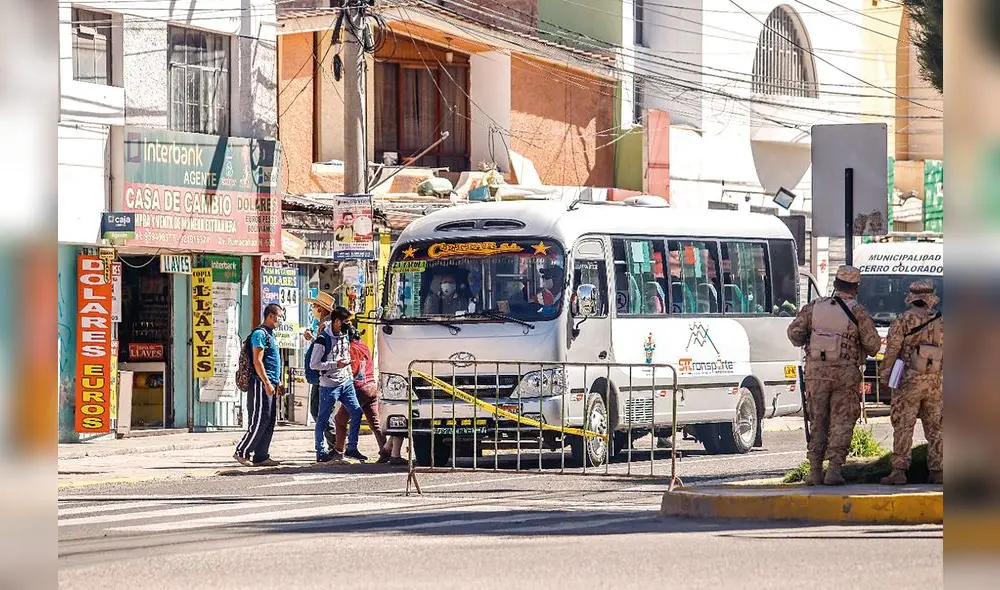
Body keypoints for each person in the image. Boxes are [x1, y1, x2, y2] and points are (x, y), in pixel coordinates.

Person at [787, 265, 881, 486]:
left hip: (816, 374)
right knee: (841, 421)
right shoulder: (857, 312)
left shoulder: (814, 308)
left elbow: (794, 333)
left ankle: (814, 471)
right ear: (855, 288)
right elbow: (873, 345)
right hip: (845, 375)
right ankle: (834, 470)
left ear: (836, 285)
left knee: (817, 421)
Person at [879, 280, 944, 485]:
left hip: (909, 381)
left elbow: (891, 352)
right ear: (931, 298)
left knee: (904, 425)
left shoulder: (903, 321)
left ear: (912, 298)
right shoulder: (943, 321)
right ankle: (938, 471)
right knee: (937, 427)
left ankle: (899, 471)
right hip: (936, 382)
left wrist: (885, 376)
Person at [310, 306, 365, 462]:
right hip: (329, 384)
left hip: (346, 382)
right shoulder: (322, 339)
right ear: (336, 321)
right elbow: (314, 364)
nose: (348, 326)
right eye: (345, 322)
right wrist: (335, 364)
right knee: (323, 419)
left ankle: (352, 447)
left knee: (356, 412)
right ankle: (320, 452)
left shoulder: (345, 335)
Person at [234, 303, 284, 467]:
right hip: (260, 383)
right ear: (270, 316)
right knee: (260, 419)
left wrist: (278, 381)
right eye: (279, 316)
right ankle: (242, 451)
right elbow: (258, 361)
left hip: (272, 382)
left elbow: (273, 361)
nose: (280, 320)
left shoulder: (271, 335)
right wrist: (267, 382)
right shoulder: (259, 334)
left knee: (269, 420)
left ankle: (261, 456)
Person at [333, 325, 389, 462]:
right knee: (375, 423)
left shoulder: (351, 348)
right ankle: (385, 451)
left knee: (340, 420)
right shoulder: (363, 345)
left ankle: (340, 450)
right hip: (371, 387)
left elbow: (354, 369)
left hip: (359, 388)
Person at [304, 292, 337, 452]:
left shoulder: (326, 326)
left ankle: (336, 445)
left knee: (320, 412)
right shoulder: (325, 325)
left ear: (322, 309)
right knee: (319, 411)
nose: (312, 309)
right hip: (322, 375)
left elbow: (323, 351)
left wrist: (312, 338)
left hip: (323, 376)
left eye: (314, 306)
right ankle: (334, 445)